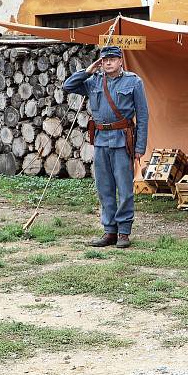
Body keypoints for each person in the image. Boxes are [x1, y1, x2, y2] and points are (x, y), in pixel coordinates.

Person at [64, 46, 149, 248]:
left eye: (112, 59)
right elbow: (68, 86)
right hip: (101, 139)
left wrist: (140, 147)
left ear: (121, 61)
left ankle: (124, 232)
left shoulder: (133, 81)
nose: (108, 62)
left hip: (122, 140)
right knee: (104, 188)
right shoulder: (93, 81)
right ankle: (109, 231)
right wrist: (88, 70)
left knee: (125, 189)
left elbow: (143, 116)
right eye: (104, 59)